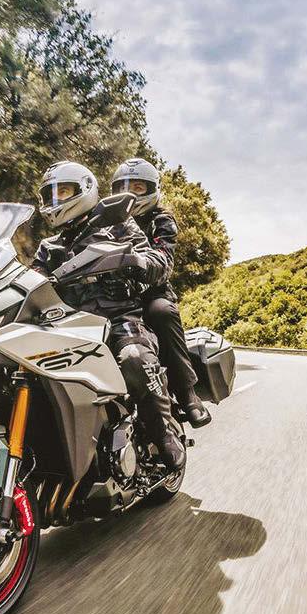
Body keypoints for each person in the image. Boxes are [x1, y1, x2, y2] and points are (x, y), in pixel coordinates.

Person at [32, 161, 185, 471]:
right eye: (52, 194)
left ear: (85, 190)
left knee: (134, 358)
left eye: (64, 191)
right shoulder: (49, 247)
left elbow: (156, 261)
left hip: (118, 320)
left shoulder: (120, 227)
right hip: (66, 326)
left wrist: (135, 261)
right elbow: (31, 278)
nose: (57, 200)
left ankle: (164, 433)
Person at [111, 158, 211, 428]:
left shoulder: (161, 220)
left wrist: (141, 264)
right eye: (123, 188)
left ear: (152, 189)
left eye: (138, 187)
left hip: (151, 293)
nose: (130, 194)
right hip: (113, 296)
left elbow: (164, 257)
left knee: (162, 312)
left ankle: (187, 394)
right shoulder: (106, 223)